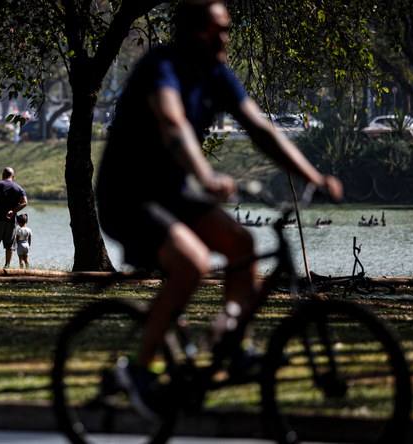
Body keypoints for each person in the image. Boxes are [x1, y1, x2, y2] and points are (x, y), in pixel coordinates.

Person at [95, 0, 343, 418]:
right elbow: (172, 124)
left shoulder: (215, 73)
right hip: (127, 196)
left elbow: (261, 128)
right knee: (191, 262)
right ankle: (137, 369)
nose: (225, 37)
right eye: (217, 29)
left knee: (241, 242)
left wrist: (313, 175)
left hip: (169, 193)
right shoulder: (163, 67)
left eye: (227, 29)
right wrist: (206, 175)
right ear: (192, 32)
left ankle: (233, 344)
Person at [0, 167, 28, 268]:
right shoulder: (19, 188)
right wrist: (13, 211)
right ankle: (7, 265)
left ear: (3, 175)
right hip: (11, 220)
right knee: (9, 245)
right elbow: (25, 203)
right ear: (13, 176)